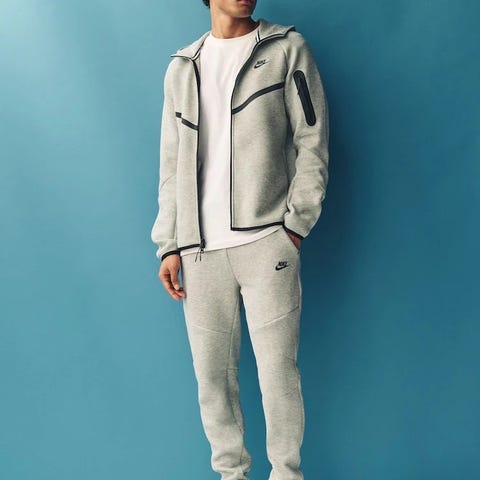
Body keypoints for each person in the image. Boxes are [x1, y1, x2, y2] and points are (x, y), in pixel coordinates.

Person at [150, 1, 329, 479]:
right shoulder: (183, 67)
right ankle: (231, 475)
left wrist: (295, 225)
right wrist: (170, 243)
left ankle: (286, 473)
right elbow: (171, 163)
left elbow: (312, 139)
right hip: (199, 250)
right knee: (212, 382)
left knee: (278, 374)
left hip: (267, 241)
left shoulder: (287, 48)